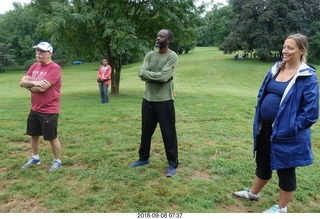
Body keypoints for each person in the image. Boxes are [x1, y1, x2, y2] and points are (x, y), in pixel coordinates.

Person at [233, 33, 319, 212]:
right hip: (265, 128)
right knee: (263, 161)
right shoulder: (275, 69)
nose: (284, 51)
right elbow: (264, 93)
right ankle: (253, 193)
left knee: (285, 169)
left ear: (301, 51)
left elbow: (310, 113)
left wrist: (289, 128)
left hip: (287, 133)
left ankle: (281, 208)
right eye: (284, 47)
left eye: (290, 48)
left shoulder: (307, 77)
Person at [130, 29, 179, 177]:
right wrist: (155, 76)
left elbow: (165, 77)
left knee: (168, 134)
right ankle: (143, 158)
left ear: (168, 40)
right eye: (157, 35)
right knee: (146, 132)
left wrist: (149, 75)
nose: (158, 38)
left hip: (165, 101)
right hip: (148, 100)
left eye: (162, 36)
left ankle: (172, 164)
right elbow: (141, 72)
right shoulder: (150, 55)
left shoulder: (172, 56)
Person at [19, 42, 62, 172]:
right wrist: (35, 83)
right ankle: (35, 157)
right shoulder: (34, 66)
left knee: (51, 137)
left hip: (49, 110)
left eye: (42, 51)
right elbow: (22, 82)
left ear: (50, 53)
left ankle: (57, 160)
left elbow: (42, 89)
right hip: (35, 108)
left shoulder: (55, 68)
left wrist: (30, 85)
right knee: (34, 134)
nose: (38, 53)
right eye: (37, 51)